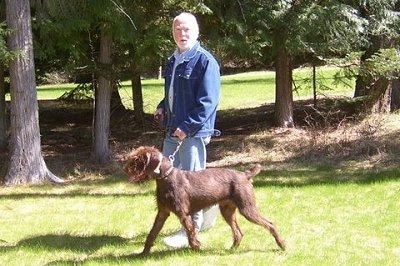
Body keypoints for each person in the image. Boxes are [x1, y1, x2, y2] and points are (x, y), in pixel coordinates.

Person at [154, 12, 221, 248]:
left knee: (192, 183)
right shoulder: (173, 59)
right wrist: (163, 107)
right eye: (178, 29)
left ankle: (191, 230)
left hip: (192, 132)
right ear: (173, 33)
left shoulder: (205, 61)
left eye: (187, 29)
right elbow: (173, 94)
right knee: (169, 179)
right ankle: (201, 217)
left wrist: (187, 126)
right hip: (173, 129)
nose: (182, 34)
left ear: (197, 32)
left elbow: (208, 101)